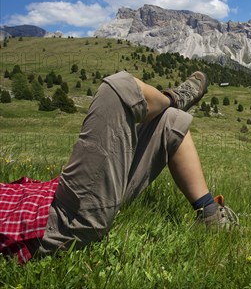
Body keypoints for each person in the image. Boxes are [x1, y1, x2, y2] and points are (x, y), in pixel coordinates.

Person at [0, 70, 238, 264]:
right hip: (61, 221)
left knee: (169, 121)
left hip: (53, 203)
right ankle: (173, 98)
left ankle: (210, 215)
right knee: (117, 88)